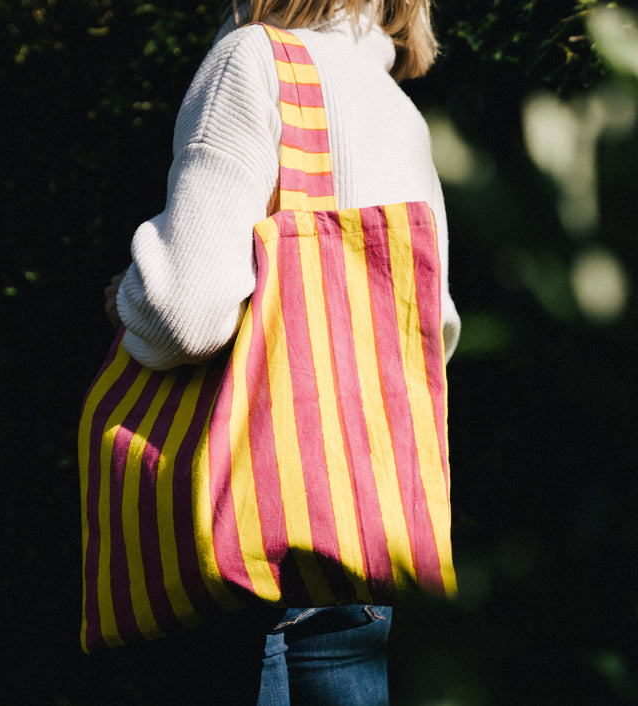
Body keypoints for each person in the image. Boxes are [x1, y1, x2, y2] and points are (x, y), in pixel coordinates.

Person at [101, 0, 460, 702]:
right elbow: (433, 332)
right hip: (362, 543)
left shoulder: (251, 62)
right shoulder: (400, 113)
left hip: (247, 542)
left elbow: (184, 315)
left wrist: (124, 296)